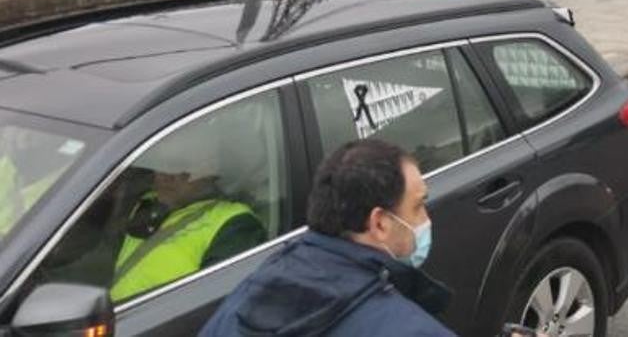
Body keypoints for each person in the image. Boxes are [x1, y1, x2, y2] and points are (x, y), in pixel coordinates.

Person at [199, 139, 455, 337]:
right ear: (380, 223)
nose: (426, 219)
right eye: (418, 206)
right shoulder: (411, 329)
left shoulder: (246, 298)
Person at [112, 131, 266, 304]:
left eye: (180, 168)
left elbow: (215, 303)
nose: (165, 176)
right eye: (161, 165)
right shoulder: (144, 203)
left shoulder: (235, 224)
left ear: (209, 170)